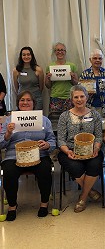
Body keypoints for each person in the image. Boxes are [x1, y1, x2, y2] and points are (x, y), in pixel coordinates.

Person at [0, 90, 56, 221]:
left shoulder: (44, 120)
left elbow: (52, 141)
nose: (25, 102)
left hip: (39, 155)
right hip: (14, 156)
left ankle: (44, 204)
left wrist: (47, 145)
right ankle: (12, 206)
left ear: (33, 103)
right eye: (22, 100)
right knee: (8, 171)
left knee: (45, 169)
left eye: (28, 100)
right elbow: (1, 144)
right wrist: (8, 133)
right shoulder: (9, 120)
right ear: (18, 103)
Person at [57, 85, 103, 213]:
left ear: (87, 97)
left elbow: (99, 136)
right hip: (70, 151)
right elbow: (60, 139)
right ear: (71, 99)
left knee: (95, 164)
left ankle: (82, 197)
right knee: (75, 167)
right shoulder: (64, 116)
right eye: (76, 97)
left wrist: (97, 148)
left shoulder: (95, 115)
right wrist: (67, 151)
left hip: (92, 151)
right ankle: (90, 191)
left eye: (82, 96)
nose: (79, 99)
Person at [45, 42, 79, 114]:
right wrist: (48, 78)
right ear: (55, 52)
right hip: (55, 97)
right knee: (55, 120)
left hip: (69, 97)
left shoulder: (72, 66)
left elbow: (76, 84)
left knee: (70, 121)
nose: (60, 52)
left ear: (65, 52)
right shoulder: (50, 66)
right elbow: (48, 86)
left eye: (62, 50)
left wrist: (72, 77)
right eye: (57, 50)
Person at [79, 49, 105, 117]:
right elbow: (80, 90)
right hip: (89, 107)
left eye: (100, 58)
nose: (97, 60)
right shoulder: (85, 74)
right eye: (95, 58)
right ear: (90, 60)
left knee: (104, 126)